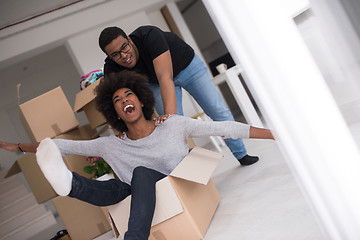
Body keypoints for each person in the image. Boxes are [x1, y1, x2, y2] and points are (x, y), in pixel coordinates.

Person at [0, 71, 274, 240]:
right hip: (134, 191)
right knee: (116, 186)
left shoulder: (173, 125)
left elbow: (224, 127)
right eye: (117, 101)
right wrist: (19, 147)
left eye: (128, 95)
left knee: (142, 173)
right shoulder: (112, 144)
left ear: (141, 100)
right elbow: (59, 146)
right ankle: (69, 185)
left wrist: (274, 133)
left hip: (173, 183)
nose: (123, 101)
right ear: (115, 113)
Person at [99, 25, 260, 166]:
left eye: (124, 47)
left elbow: (165, 78)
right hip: (155, 82)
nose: (123, 55)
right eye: (115, 54)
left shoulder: (149, 36)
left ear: (129, 40)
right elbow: (114, 103)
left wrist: (171, 118)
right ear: (109, 56)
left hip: (187, 67)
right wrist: (122, 130)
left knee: (217, 110)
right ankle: (189, 172)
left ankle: (242, 155)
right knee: (172, 128)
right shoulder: (112, 68)